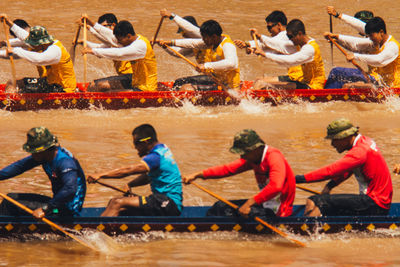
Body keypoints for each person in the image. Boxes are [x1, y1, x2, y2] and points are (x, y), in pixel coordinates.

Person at [183, 129, 295, 218]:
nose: (242, 157)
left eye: (243, 153)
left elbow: (276, 186)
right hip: (264, 205)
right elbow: (227, 169)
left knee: (229, 213)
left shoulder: (274, 157)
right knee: (220, 207)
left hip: (279, 212)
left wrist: (249, 204)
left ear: (256, 149)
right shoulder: (253, 158)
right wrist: (197, 174)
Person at [296, 118, 392, 217]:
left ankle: (305, 230)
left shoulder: (360, 151)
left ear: (347, 136)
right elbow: (348, 170)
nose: (332, 144)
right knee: (315, 200)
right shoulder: (365, 141)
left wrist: (297, 179)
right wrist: (330, 186)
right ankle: (311, 227)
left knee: (318, 202)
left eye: (335, 139)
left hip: (374, 203)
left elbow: (330, 171)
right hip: (378, 202)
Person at [87, 124, 182, 217]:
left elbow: (128, 170)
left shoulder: (155, 157)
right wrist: (130, 184)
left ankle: (97, 231)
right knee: (120, 208)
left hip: (167, 203)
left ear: (146, 142)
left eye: (136, 143)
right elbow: (148, 177)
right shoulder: (163, 148)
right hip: (164, 202)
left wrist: (100, 175)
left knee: (116, 202)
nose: (135, 147)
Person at [0, 127, 86, 218]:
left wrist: (45, 209)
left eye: (34, 152)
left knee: (9, 204)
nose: (32, 155)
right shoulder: (45, 156)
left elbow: (70, 189)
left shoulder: (65, 162)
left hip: (66, 210)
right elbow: (19, 167)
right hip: (56, 204)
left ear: (44, 150)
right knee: (10, 197)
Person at [0, 14, 76, 93]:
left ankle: (12, 104)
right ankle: (10, 103)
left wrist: (16, 50)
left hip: (63, 89)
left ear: (40, 43)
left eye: (32, 43)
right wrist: (8, 22)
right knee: (13, 82)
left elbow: (38, 59)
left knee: (23, 92)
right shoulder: (45, 44)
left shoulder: (55, 50)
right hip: (49, 82)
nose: (30, 45)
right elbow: (24, 36)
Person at [157, 19, 240, 91]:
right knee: (179, 82)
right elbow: (192, 43)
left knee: (187, 89)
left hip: (227, 86)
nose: (203, 40)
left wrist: (206, 66)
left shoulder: (228, 45)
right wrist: (170, 43)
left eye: (205, 38)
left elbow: (231, 63)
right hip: (215, 79)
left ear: (214, 37)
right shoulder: (213, 42)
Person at [234, 10, 303, 90]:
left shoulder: (285, 35)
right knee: (258, 80)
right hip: (293, 76)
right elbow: (267, 48)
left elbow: (269, 44)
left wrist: (247, 44)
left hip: (298, 77)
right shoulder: (283, 38)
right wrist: (250, 48)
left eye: (269, 27)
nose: (268, 30)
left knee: (259, 83)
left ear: (279, 25)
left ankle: (250, 101)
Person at [324, 17, 399, 89]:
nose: (370, 39)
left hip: (389, 85)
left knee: (336, 72)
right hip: (375, 78)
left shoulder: (392, 46)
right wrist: (336, 37)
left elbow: (379, 60)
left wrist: (355, 56)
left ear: (381, 32)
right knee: (337, 75)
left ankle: (326, 95)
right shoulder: (377, 42)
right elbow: (356, 44)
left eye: (371, 36)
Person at [82, 20, 158, 92]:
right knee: (95, 85)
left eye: (120, 40)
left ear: (128, 36)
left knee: (107, 92)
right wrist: (91, 23)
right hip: (134, 80)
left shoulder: (140, 45)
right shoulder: (130, 39)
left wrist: (93, 51)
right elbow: (110, 35)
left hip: (146, 88)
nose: (118, 43)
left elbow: (119, 54)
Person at [253, 19, 325, 89]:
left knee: (261, 85)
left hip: (314, 87)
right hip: (303, 82)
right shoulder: (299, 44)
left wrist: (265, 54)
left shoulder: (309, 49)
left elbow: (290, 61)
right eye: (288, 36)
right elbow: (280, 45)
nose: (289, 39)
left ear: (299, 33)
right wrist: (260, 37)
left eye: (290, 36)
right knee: (258, 82)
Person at [158, 9, 215, 90]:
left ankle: (177, 100)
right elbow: (178, 53)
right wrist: (164, 46)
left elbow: (192, 29)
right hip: (208, 76)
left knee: (179, 82)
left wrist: (172, 16)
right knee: (179, 82)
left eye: (183, 32)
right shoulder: (195, 45)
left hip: (217, 77)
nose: (183, 35)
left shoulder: (204, 38)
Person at [79, 14, 133, 92]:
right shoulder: (114, 41)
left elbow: (107, 37)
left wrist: (90, 25)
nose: (102, 30)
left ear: (113, 25)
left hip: (131, 77)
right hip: (125, 77)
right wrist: (84, 41)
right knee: (93, 84)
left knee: (95, 86)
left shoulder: (122, 38)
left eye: (103, 27)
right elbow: (101, 46)